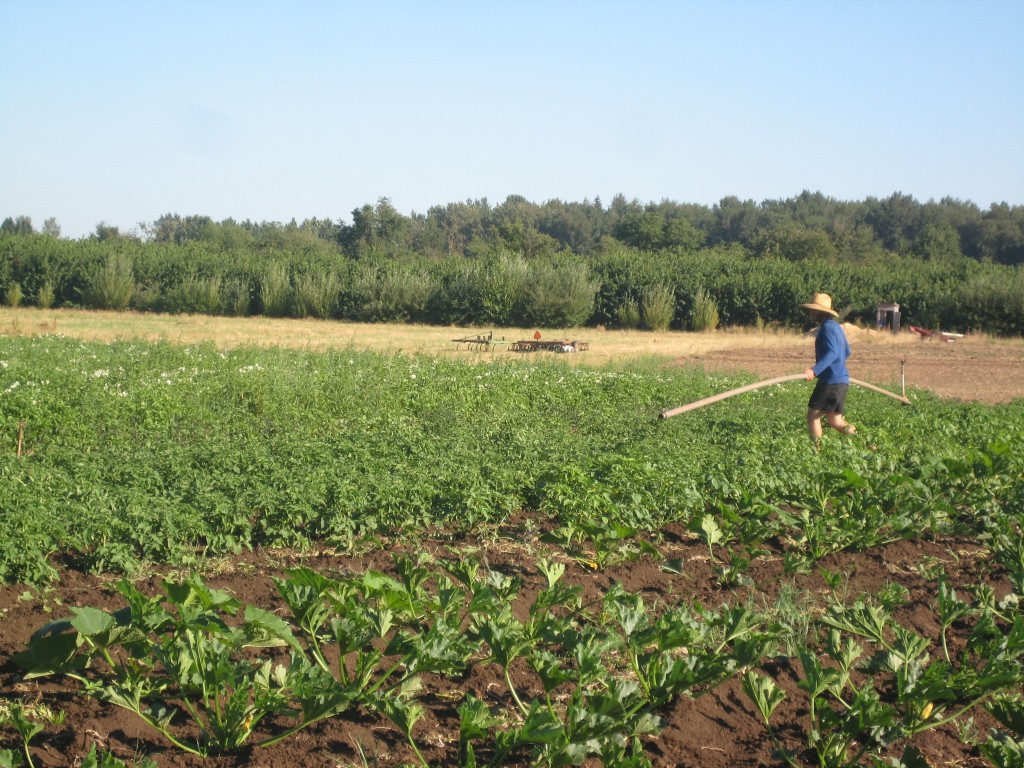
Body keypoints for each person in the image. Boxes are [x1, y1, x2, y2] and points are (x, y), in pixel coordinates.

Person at [800, 293, 857, 445]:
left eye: (814, 310)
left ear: (822, 311)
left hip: (830, 382)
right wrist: (836, 369)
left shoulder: (827, 328)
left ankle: (815, 452)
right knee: (835, 420)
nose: (811, 313)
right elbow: (846, 352)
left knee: (813, 416)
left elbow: (832, 353)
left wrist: (814, 370)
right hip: (841, 380)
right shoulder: (837, 328)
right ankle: (866, 442)